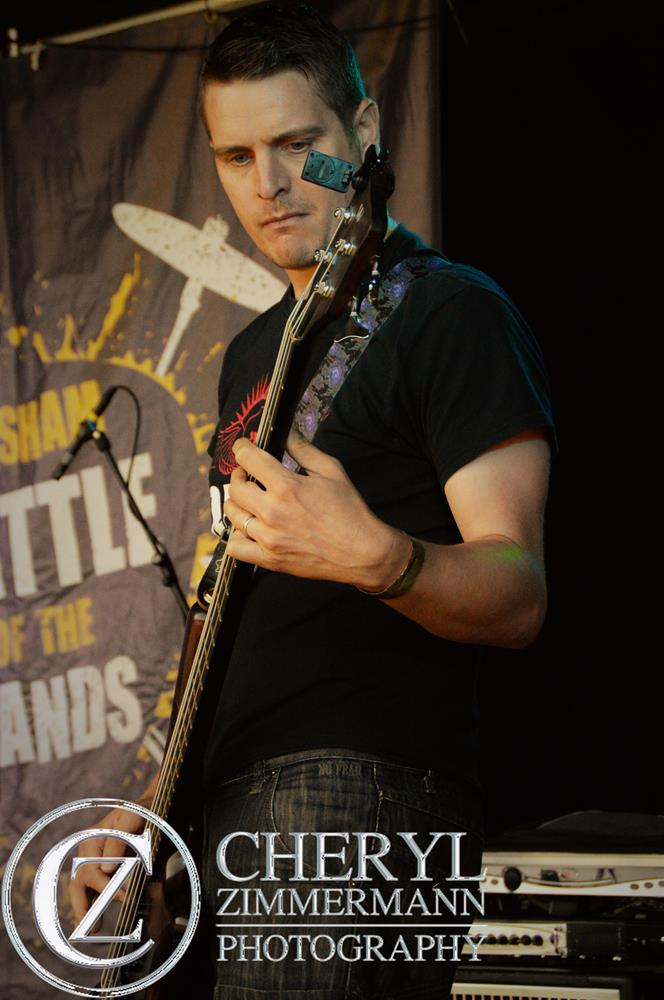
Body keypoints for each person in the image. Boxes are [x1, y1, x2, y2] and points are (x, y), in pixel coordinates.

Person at [72, 5, 554, 998]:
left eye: (298, 145)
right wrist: (160, 799)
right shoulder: (256, 351)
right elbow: (231, 606)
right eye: (236, 155)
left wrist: (378, 556)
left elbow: (518, 593)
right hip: (227, 798)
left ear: (362, 132)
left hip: (361, 789)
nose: (268, 185)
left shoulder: (450, 308)